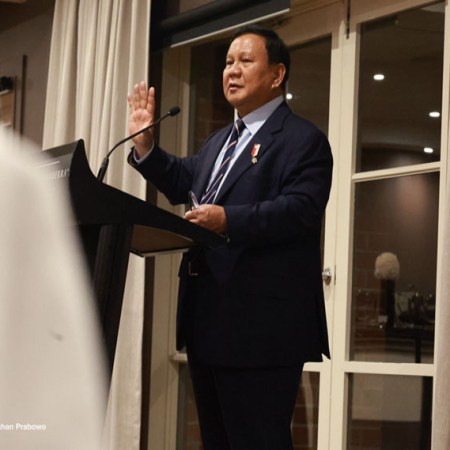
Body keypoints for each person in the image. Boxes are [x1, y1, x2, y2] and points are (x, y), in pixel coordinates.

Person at [127, 25, 333, 450]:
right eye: (227, 62)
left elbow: (300, 210)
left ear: (277, 75)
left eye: (245, 61)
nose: (232, 71)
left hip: (261, 330)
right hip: (209, 323)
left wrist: (228, 220)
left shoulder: (303, 140)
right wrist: (146, 147)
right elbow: (184, 179)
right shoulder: (220, 142)